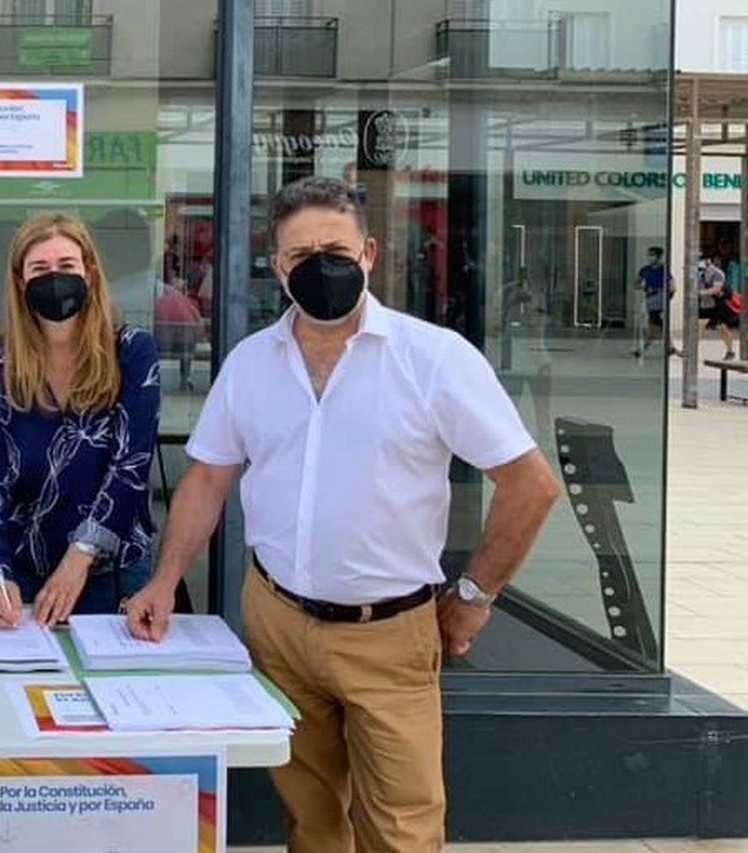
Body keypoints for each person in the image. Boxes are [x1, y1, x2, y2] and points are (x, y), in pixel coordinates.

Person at [125, 176, 560, 852]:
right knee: (311, 821)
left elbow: (530, 484)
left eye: (335, 247)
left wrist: (474, 595)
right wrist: (162, 579)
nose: (320, 266)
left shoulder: (433, 359)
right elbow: (207, 477)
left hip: (389, 634)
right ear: (277, 268)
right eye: (301, 255)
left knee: (405, 829)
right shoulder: (250, 364)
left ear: (369, 254)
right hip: (277, 625)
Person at [0, 212, 160, 629]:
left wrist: (80, 556)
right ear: (20, 281)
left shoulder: (132, 352)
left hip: (113, 574)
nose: (55, 278)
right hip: (25, 574)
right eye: (40, 268)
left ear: (89, 272)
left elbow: (131, 468)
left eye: (67, 266)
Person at [633, 245, 677, 357]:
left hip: (659, 301)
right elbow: (636, 284)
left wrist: (665, 297)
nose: (650, 257)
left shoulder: (664, 270)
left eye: (652, 255)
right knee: (654, 326)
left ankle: (644, 348)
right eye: (649, 255)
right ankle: (670, 347)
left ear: (658, 257)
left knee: (656, 325)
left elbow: (673, 287)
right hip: (649, 301)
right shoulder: (645, 270)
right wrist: (645, 288)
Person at [698, 253, 739, 360]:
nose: (699, 262)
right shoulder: (700, 272)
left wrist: (700, 293)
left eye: (702, 259)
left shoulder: (717, 273)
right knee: (699, 326)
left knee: (723, 329)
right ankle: (689, 349)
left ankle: (730, 351)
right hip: (707, 304)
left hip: (718, 305)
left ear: (709, 261)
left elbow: (716, 289)